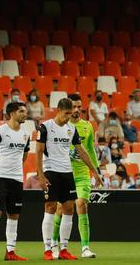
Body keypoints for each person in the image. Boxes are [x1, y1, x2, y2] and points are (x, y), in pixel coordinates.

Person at [35, 98, 100, 261]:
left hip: (67, 173)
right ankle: (48, 249)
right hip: (51, 171)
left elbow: (83, 151)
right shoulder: (45, 127)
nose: (69, 117)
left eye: (71, 113)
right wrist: (40, 175)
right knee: (50, 208)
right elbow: (38, 151)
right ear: (58, 110)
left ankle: (64, 249)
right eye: (66, 114)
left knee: (69, 209)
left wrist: (95, 171)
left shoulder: (71, 129)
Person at [0, 102, 31, 261]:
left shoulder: (25, 133)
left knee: (14, 215)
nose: (25, 114)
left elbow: (24, 154)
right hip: (0, 178)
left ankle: (10, 252)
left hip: (17, 179)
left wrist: (16, 168)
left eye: (25, 111)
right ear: (12, 113)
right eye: (21, 111)